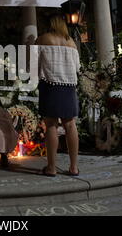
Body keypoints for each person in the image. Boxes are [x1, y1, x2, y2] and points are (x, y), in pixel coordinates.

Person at [35, 14, 81, 176]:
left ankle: (52, 167)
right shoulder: (71, 42)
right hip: (69, 87)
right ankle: (74, 167)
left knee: (51, 126)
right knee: (70, 125)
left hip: (50, 85)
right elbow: (77, 68)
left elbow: (33, 65)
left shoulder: (42, 39)